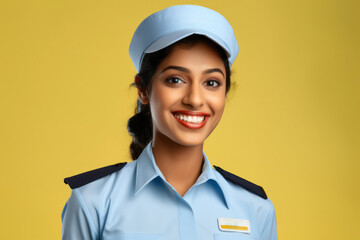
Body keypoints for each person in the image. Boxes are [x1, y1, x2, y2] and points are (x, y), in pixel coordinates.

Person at [61, 5, 277, 240]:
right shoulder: (93, 202)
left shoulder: (256, 209)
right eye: (175, 80)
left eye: (212, 82)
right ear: (143, 89)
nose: (194, 99)